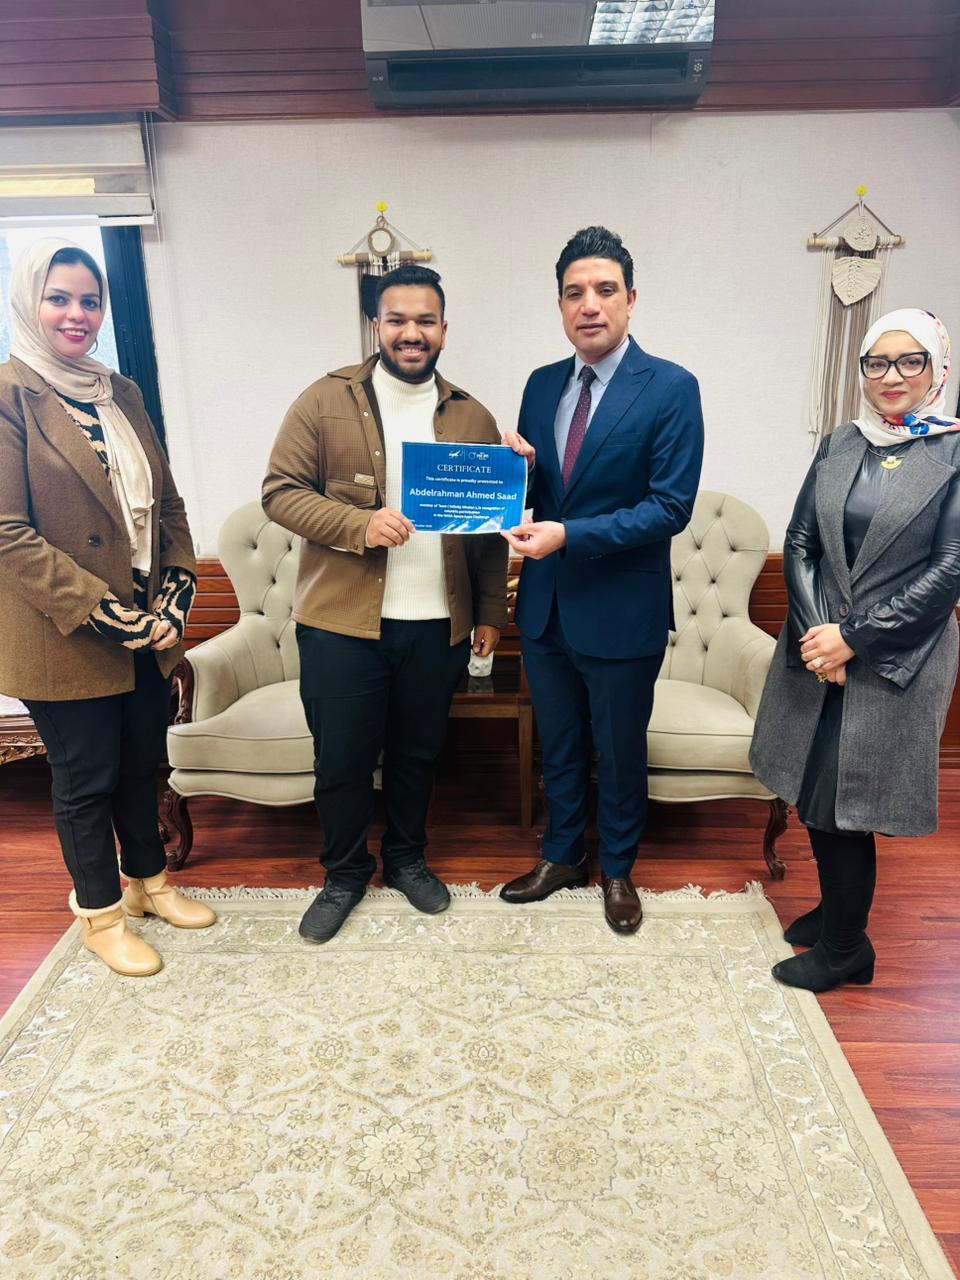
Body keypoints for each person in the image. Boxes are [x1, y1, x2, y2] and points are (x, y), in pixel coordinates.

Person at [263, 265, 508, 943]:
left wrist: (490, 613)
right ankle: (344, 875)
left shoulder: (473, 416)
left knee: (417, 755)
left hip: (437, 626)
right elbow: (279, 492)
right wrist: (359, 525)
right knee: (342, 762)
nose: (411, 333)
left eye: (425, 321)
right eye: (397, 320)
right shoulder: (323, 401)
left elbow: (490, 528)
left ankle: (405, 859)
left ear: (444, 330)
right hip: (341, 626)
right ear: (377, 326)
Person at [0, 238, 215, 977]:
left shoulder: (120, 392)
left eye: (90, 301)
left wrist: (176, 597)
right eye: (59, 298)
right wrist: (110, 616)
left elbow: (169, 506)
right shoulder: (10, 393)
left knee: (140, 767)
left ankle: (149, 885)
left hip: (147, 629)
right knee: (85, 780)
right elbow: (8, 533)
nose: (77, 314)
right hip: (65, 632)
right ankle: (99, 916)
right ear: (29, 303)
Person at [499, 227, 704, 933]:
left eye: (605, 290)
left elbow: (670, 507)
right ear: (560, 304)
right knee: (558, 746)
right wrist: (518, 475)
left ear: (631, 299)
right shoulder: (540, 385)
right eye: (574, 292)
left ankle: (618, 869)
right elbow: (543, 494)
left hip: (621, 608)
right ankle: (562, 857)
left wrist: (569, 535)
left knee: (618, 753)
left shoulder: (671, 387)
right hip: (546, 609)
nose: (590, 305)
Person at [750, 309, 960, 992]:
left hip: (897, 658)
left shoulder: (954, 453)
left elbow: (949, 572)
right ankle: (837, 913)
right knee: (815, 789)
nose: (891, 376)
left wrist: (853, 640)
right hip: (819, 649)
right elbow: (800, 540)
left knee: (848, 803)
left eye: (910, 361)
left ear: (937, 368)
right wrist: (821, 637)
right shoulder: (841, 442)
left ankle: (847, 950)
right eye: (877, 362)